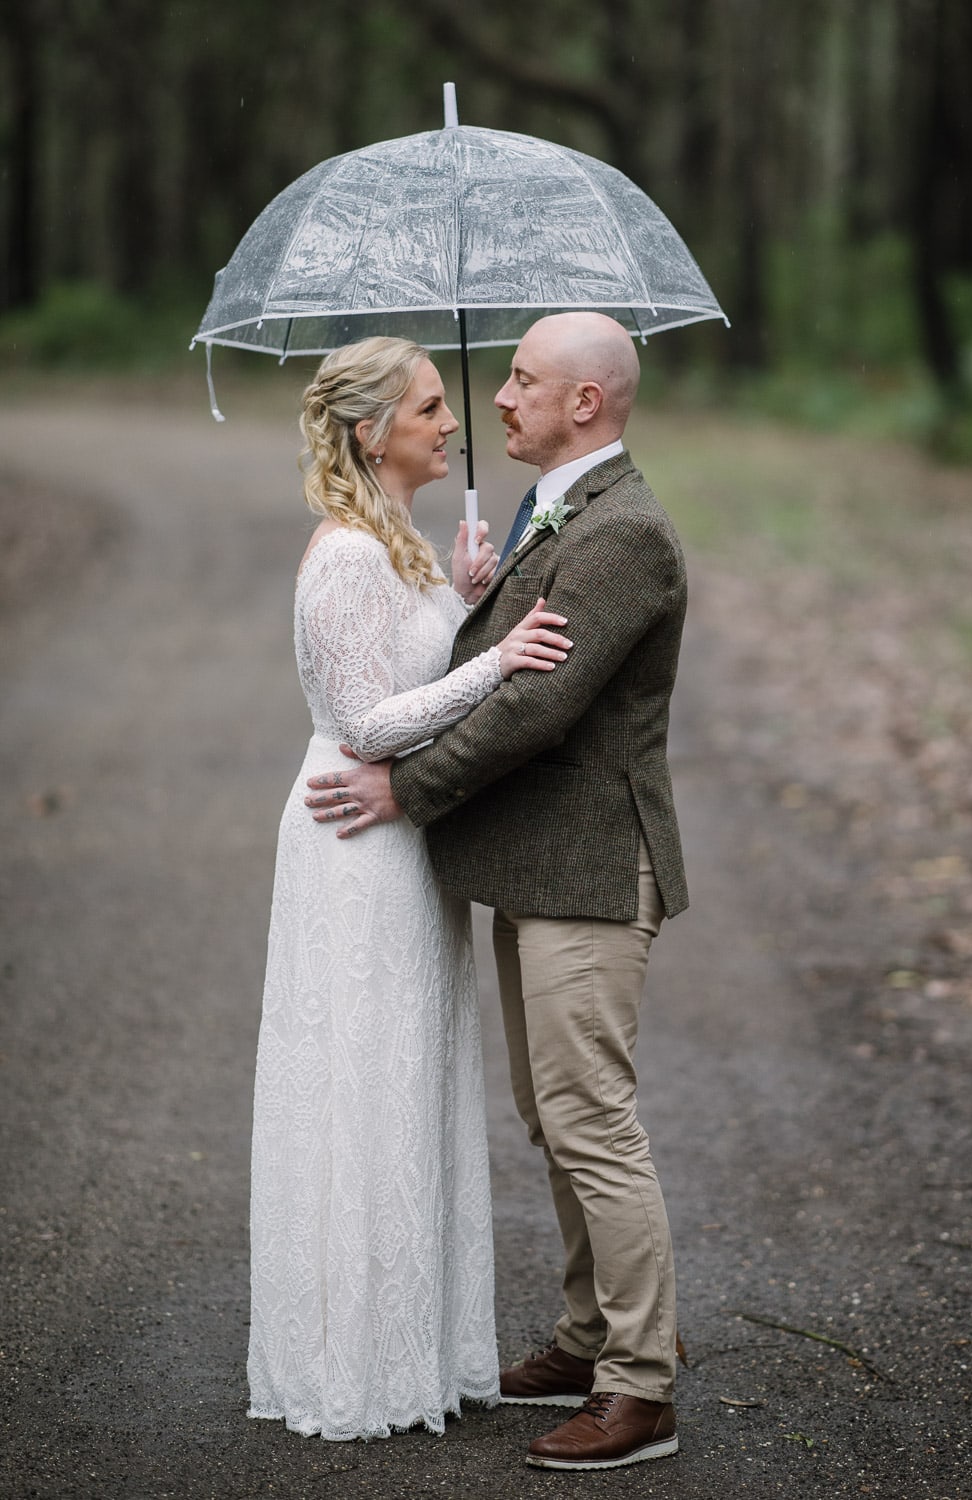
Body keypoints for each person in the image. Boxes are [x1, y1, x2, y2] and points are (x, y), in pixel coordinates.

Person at [304, 311, 688, 1470]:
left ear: (584, 402)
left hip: (585, 866)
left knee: (590, 1122)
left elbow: (536, 706)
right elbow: (497, 652)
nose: (496, 401)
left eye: (520, 381)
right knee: (549, 1117)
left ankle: (640, 1384)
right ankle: (583, 1338)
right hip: (536, 861)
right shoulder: (553, 510)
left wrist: (402, 790)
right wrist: (468, 596)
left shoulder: (623, 534)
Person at [247, 335, 573, 1443]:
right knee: (362, 1084)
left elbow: (411, 670)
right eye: (431, 407)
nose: (452, 422)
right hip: (353, 847)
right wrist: (501, 656)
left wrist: (469, 595)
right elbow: (364, 723)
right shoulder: (344, 555)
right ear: (370, 430)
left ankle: (413, 1345)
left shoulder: (399, 546)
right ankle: (353, 1361)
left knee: (411, 1077)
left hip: (405, 844)